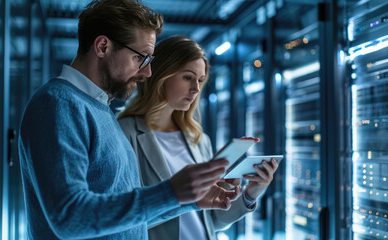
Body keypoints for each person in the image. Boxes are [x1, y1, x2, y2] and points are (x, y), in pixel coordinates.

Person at [18, 1, 240, 239]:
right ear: (103, 47)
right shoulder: (58, 104)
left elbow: (126, 219)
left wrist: (188, 202)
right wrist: (170, 193)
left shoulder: (100, 110)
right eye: (140, 59)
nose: (147, 73)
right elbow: (70, 218)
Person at [118, 36, 280, 240]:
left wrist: (250, 193)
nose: (195, 89)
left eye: (200, 80)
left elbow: (211, 221)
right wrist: (177, 196)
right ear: (161, 75)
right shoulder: (124, 134)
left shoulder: (199, 139)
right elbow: (119, 218)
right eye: (187, 77)